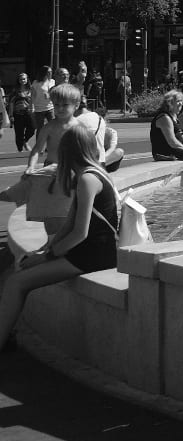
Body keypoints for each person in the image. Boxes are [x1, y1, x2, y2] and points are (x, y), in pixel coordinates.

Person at [0, 122, 121, 351]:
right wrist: (45, 251)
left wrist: (49, 256)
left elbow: (80, 232)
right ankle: (5, 330)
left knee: (16, 282)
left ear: (67, 151)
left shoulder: (87, 179)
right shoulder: (91, 174)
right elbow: (69, 223)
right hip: (90, 251)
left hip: (92, 256)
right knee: (17, 268)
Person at [29, 68, 54, 133]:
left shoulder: (53, 81)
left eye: (51, 72)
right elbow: (32, 96)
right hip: (39, 109)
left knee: (54, 127)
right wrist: (32, 108)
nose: (50, 73)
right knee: (40, 129)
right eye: (48, 72)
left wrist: (49, 95)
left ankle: (53, 142)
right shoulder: (36, 83)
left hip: (50, 108)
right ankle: (39, 142)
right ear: (44, 73)